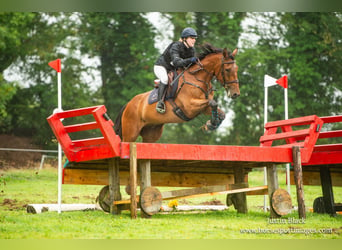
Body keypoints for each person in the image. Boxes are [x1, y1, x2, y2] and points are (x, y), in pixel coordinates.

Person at [154, 27, 198, 114]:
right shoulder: (175, 46)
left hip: (172, 69)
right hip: (161, 67)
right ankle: (160, 103)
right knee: (165, 79)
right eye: (192, 38)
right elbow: (177, 62)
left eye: (195, 38)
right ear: (185, 38)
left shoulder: (192, 50)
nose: (194, 40)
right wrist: (190, 60)